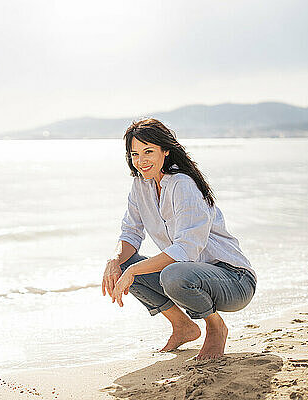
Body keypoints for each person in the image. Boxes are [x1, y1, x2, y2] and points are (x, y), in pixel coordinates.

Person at [101, 118, 257, 360]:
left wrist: (134, 272)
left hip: (234, 280)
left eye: (148, 151)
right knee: (123, 264)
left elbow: (186, 250)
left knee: (170, 273)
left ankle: (216, 327)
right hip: (192, 276)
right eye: (134, 154)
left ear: (166, 150)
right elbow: (130, 233)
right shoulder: (140, 186)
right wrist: (114, 262)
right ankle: (183, 327)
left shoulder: (183, 184)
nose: (141, 161)